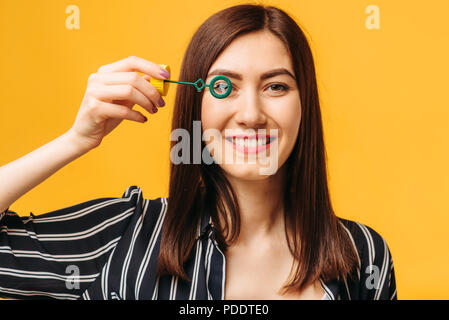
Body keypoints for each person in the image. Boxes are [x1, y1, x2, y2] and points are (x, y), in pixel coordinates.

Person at [0, 4, 396, 300]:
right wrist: (76, 139)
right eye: (225, 87)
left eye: (275, 86)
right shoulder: (124, 236)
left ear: (303, 105)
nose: (251, 115)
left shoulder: (365, 256)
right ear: (196, 109)